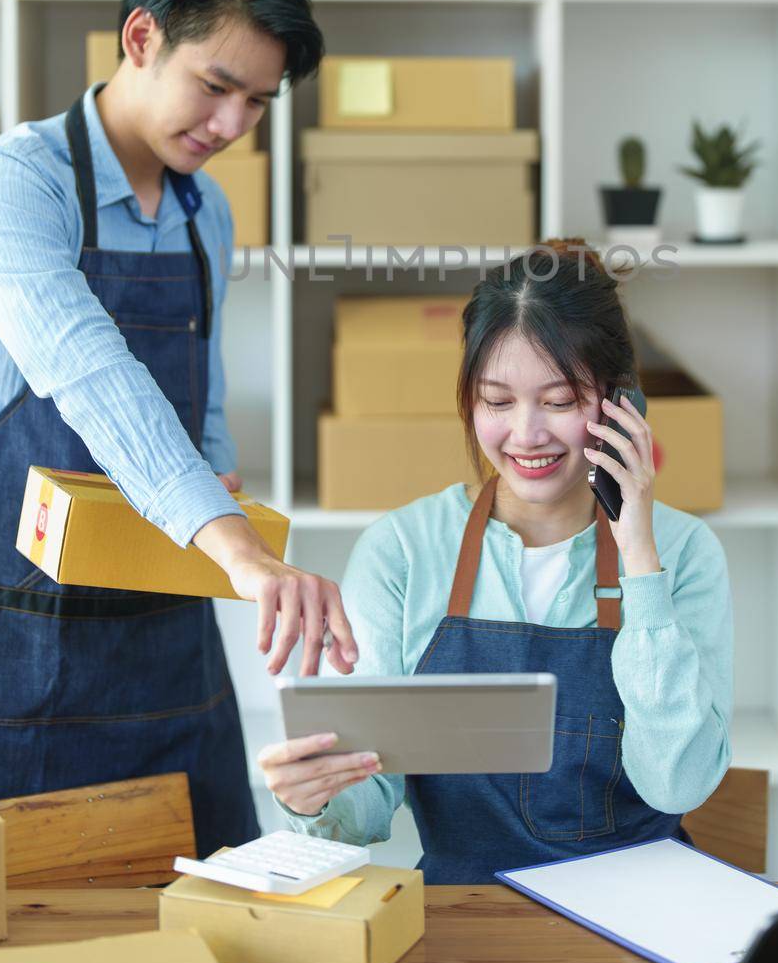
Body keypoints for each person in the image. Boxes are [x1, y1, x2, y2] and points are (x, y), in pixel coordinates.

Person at [0, 0, 356, 854]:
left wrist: (220, 490)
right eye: (216, 86)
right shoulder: (14, 187)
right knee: (22, 924)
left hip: (162, 623)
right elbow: (90, 373)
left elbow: (201, 405)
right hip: (9, 627)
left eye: (258, 104)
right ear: (142, 37)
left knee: (207, 889)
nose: (232, 126)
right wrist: (235, 550)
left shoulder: (206, 211)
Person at [260, 240, 732, 883]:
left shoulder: (684, 553)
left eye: (560, 401)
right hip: (466, 917)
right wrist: (311, 793)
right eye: (497, 401)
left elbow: (676, 783)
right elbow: (370, 810)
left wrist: (639, 559)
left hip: (641, 911)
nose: (526, 434)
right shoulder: (402, 551)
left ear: (621, 405)